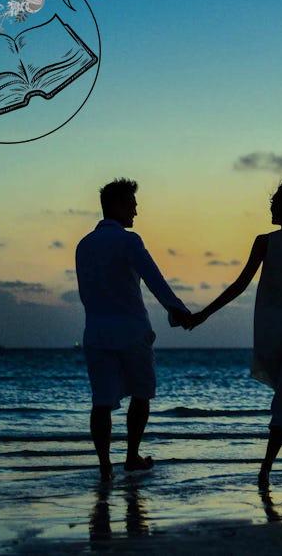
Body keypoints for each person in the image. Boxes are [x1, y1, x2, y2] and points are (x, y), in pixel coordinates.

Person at [190, 182, 282, 486]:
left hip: (271, 334)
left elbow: (240, 285)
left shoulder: (265, 242)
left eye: (274, 204)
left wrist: (204, 314)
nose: (270, 208)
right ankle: (265, 471)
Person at [75, 178, 192, 481]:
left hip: (96, 332)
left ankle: (104, 466)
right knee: (142, 394)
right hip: (131, 330)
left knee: (101, 402)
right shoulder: (129, 241)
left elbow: (85, 291)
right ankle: (130, 457)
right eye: (132, 205)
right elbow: (154, 279)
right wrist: (178, 310)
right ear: (116, 206)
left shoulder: (83, 245)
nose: (136, 213)